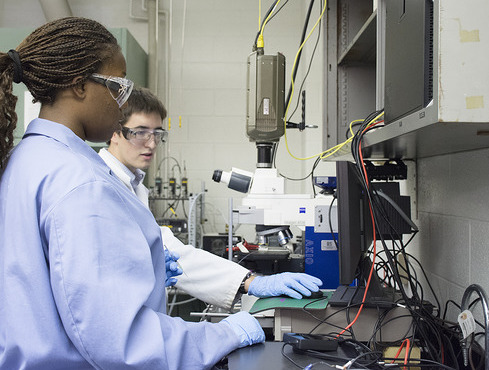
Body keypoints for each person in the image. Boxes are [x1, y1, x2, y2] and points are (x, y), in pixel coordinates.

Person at [0, 17, 264, 370]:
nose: (124, 103)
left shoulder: (20, 162)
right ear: (79, 86)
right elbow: (122, 342)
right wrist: (226, 334)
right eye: (118, 85)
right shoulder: (80, 181)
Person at [98, 86, 324, 309]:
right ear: (113, 132)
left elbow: (172, 252)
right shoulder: (101, 187)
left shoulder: (132, 186)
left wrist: (251, 282)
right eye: (140, 133)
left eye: (157, 134)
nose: (151, 143)